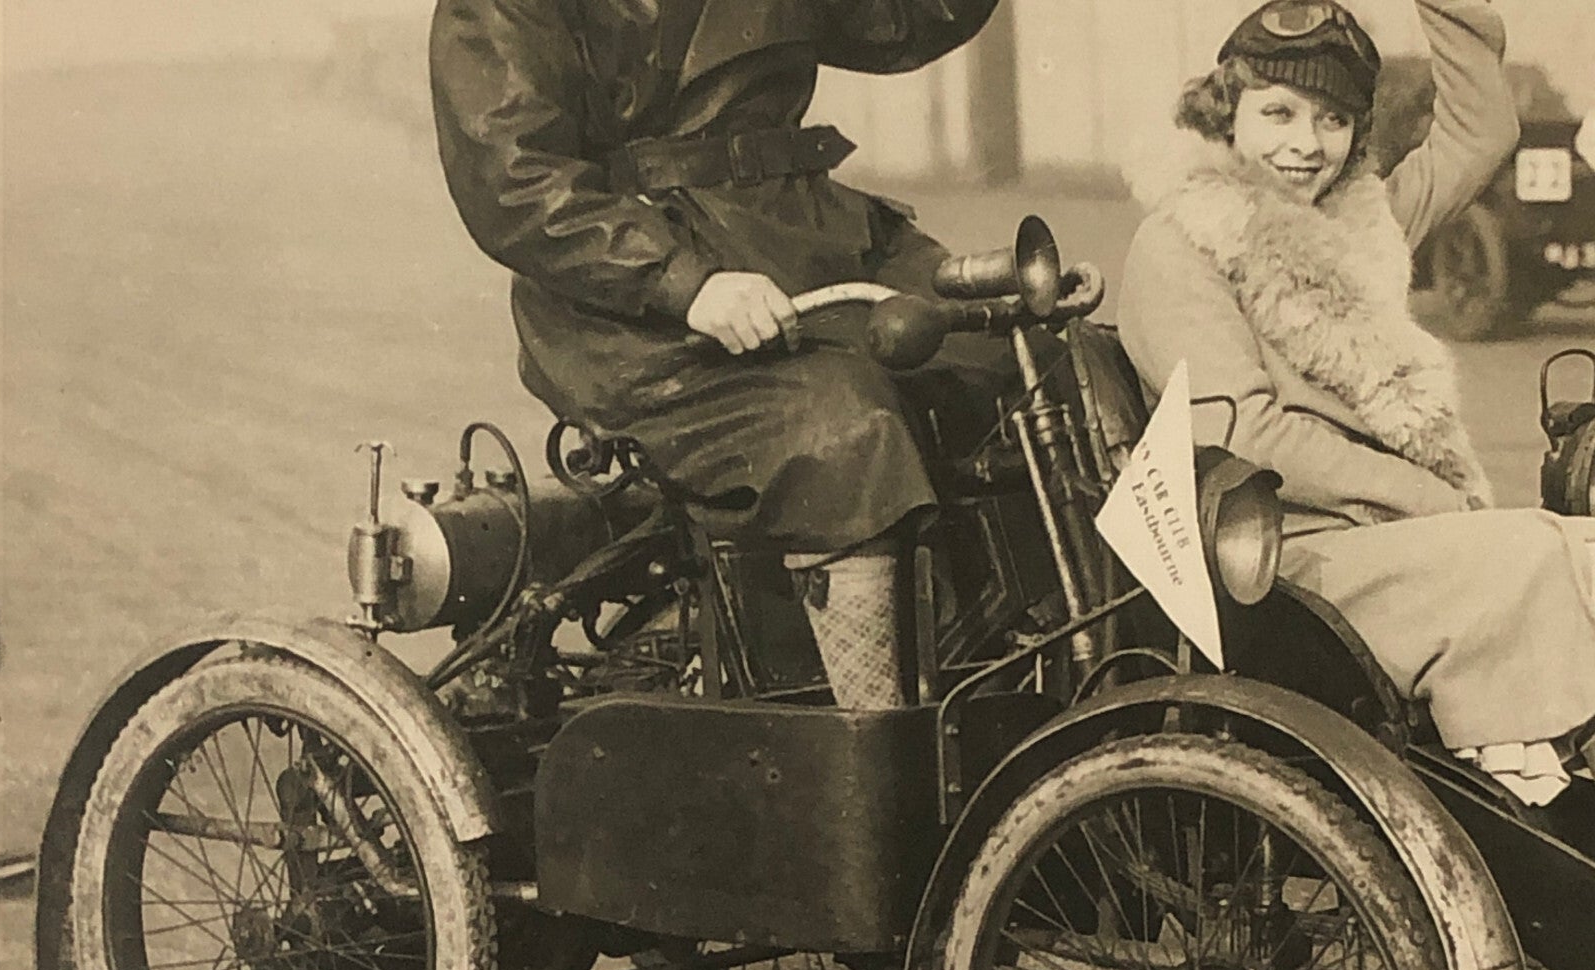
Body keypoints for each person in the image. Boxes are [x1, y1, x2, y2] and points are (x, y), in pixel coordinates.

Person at [429, 0, 1008, 708]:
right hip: (632, 311)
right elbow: (512, 181)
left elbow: (902, 20)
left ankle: (1028, 689)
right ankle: (884, 766)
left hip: (801, 235)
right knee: (847, 434)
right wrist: (683, 283)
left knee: (1022, 357)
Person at [1116, 0, 1595, 793]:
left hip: (1380, 542)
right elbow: (1248, 434)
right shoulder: (1180, 243)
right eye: (1278, 113)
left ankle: (1538, 765)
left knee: (1580, 544)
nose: (1306, 145)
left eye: (1334, 120)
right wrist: (1420, 493)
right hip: (1280, 564)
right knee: (1538, 551)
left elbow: (1480, 134)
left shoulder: (1357, 226)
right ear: (1223, 110)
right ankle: (1515, 764)